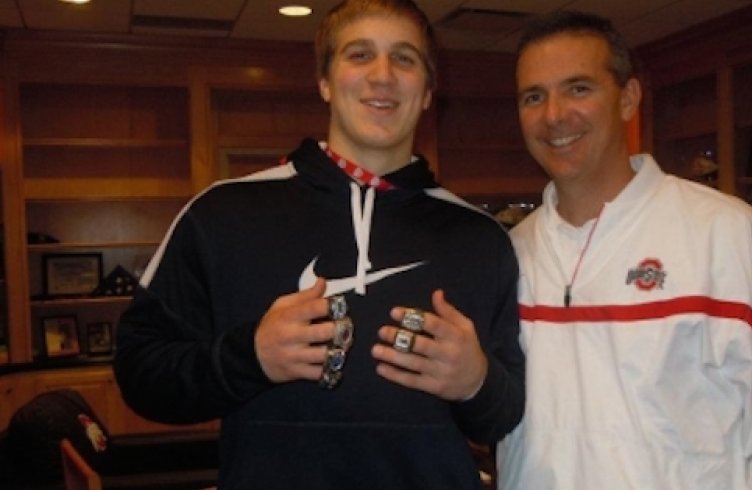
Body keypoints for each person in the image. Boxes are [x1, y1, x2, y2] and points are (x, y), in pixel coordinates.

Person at [113, 1, 525, 488]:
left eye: (405, 58)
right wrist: (250, 358)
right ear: (325, 81)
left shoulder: (482, 238)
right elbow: (141, 375)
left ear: (429, 91)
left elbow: (504, 416)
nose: (383, 76)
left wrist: (476, 382)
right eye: (359, 55)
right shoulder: (220, 214)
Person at [495, 11, 752, 490]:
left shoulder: (727, 236)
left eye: (578, 88)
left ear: (628, 98)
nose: (554, 115)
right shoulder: (509, 254)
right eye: (534, 97)